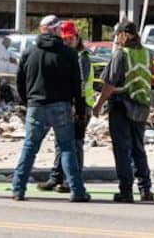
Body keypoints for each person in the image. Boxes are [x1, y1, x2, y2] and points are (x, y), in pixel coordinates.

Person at [11, 15, 90, 202]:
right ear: (55, 30)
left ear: (41, 29)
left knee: (29, 148)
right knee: (67, 148)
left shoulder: (29, 53)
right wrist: (79, 110)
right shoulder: (68, 54)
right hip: (61, 106)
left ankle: (18, 189)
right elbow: (77, 87)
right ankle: (77, 192)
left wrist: (27, 101)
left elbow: (19, 82)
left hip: (36, 106)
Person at [92, 19, 154, 203]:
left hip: (122, 105)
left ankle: (126, 191)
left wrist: (98, 104)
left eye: (118, 35)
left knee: (122, 149)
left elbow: (110, 83)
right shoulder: (147, 53)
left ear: (125, 35)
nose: (116, 39)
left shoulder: (121, 54)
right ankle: (145, 190)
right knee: (138, 149)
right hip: (141, 105)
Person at [37, 20, 94, 193]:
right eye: (65, 38)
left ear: (77, 38)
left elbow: (81, 84)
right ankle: (56, 177)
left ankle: (72, 180)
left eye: (70, 38)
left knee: (75, 144)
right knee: (60, 144)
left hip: (80, 106)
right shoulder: (65, 56)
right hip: (65, 106)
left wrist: (78, 107)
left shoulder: (81, 57)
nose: (67, 41)